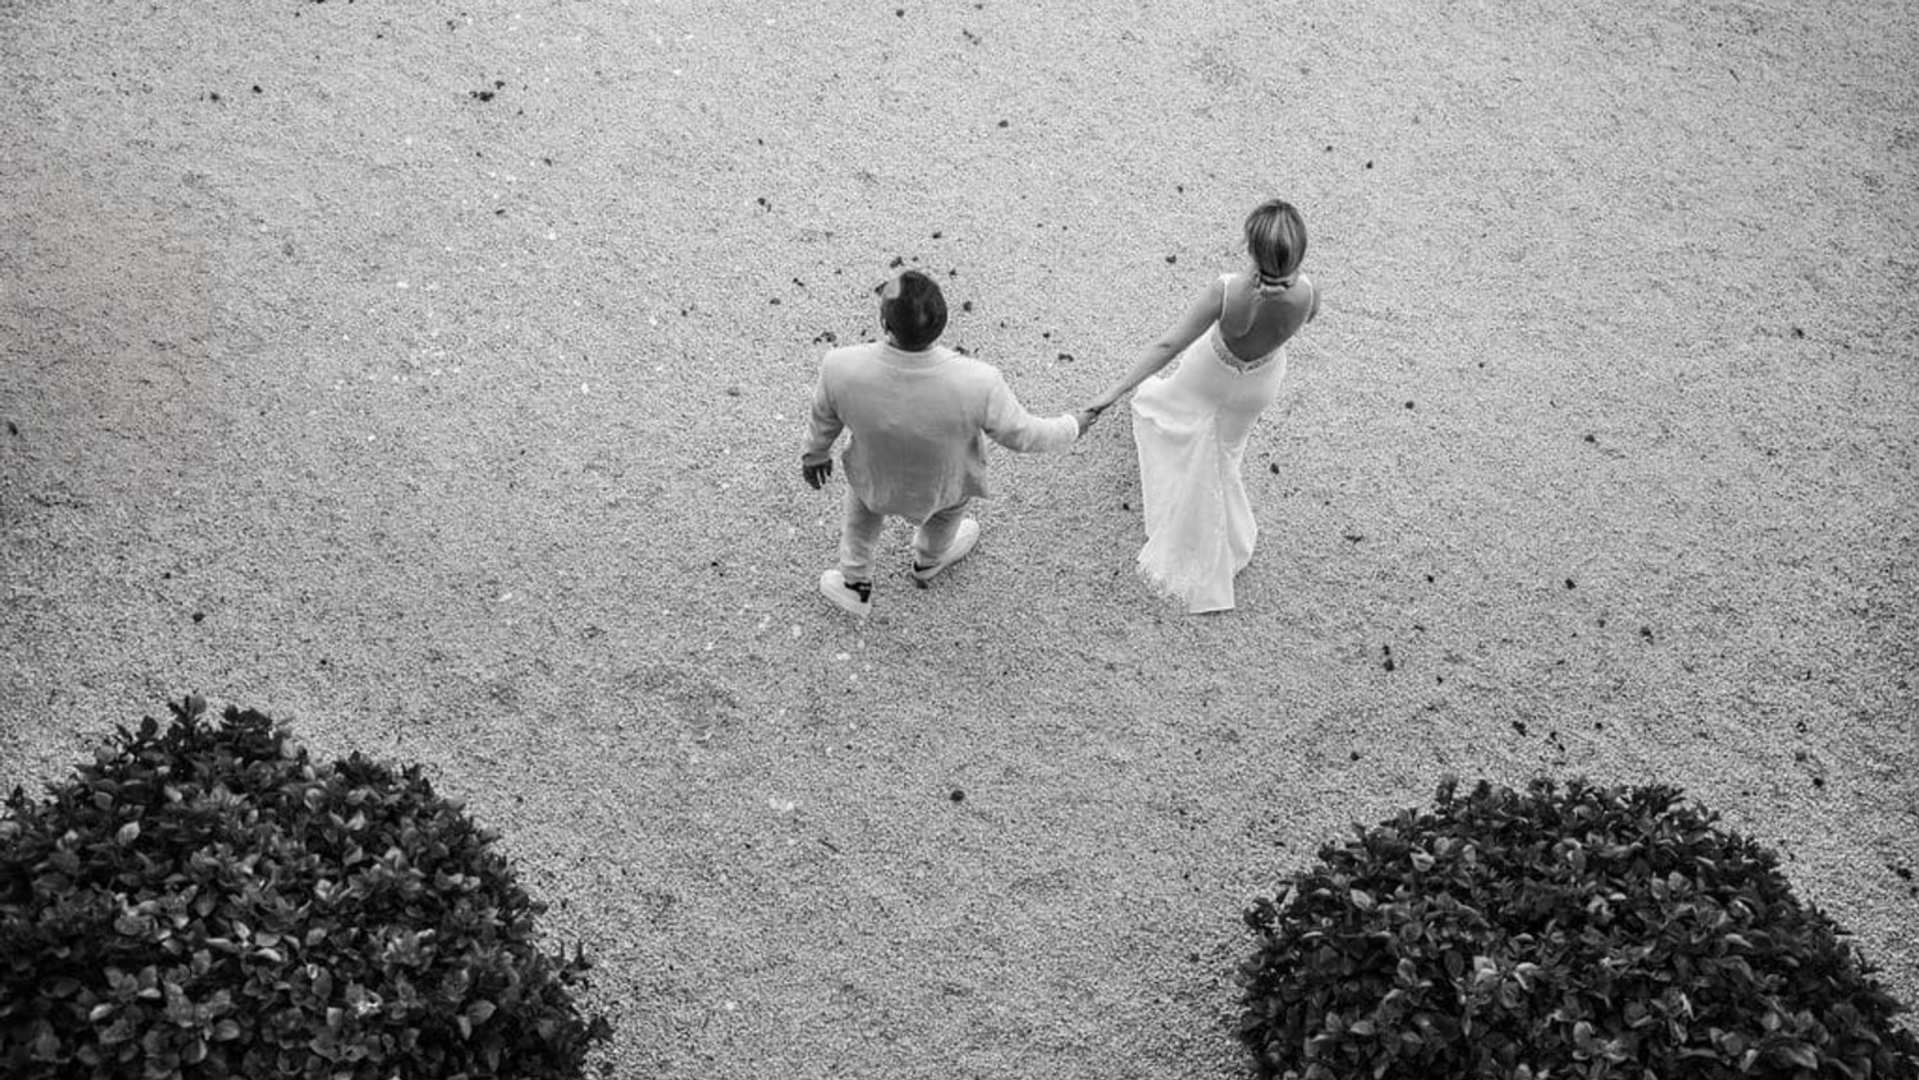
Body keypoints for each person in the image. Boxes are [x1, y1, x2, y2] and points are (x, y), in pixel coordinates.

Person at [802, 270, 1098, 618]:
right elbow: (1023, 434)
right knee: (945, 520)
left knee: (861, 521)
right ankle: (928, 560)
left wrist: (815, 453)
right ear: (942, 322)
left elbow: (824, 417)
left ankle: (855, 583)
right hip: (947, 481)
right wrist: (1072, 426)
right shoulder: (979, 381)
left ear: (884, 323)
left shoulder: (841, 366)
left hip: (873, 474)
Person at [1084, 199, 1322, 613]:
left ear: (1251, 248)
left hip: (1211, 371)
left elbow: (1168, 345)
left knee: (1174, 408)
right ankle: (1220, 530)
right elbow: (1305, 319)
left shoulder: (1227, 290)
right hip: (1260, 383)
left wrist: (1112, 393)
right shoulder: (1308, 293)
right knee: (1226, 451)